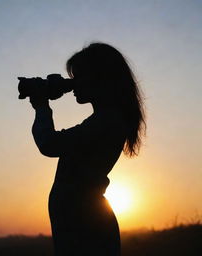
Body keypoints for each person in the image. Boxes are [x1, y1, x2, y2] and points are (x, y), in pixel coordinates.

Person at [29, 42, 146, 256]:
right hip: (81, 219)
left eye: (80, 76)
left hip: (84, 222)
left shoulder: (107, 121)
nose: (74, 84)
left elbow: (50, 144)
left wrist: (41, 107)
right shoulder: (105, 119)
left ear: (101, 79)